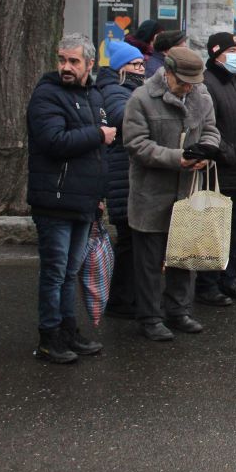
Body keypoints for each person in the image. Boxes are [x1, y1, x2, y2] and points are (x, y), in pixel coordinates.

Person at [123, 47, 219, 341]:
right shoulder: (141, 99)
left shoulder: (201, 96)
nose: (189, 87)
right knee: (149, 263)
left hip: (187, 191)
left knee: (183, 256)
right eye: (183, 82)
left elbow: (212, 131)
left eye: (193, 82)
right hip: (151, 194)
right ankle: (150, 317)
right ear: (167, 73)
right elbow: (136, 144)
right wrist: (178, 158)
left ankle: (179, 311)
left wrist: (206, 154)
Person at [26, 33, 110, 363]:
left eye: (74, 61)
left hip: (83, 200)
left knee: (70, 272)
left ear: (89, 64)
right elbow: (54, 141)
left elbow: (97, 157)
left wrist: (99, 195)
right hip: (54, 199)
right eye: (62, 60)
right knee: (55, 272)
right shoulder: (47, 94)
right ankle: (49, 336)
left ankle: (68, 330)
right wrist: (98, 134)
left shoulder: (94, 95)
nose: (66, 67)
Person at [196, 33, 236, 307]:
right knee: (214, 230)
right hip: (220, 171)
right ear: (216, 52)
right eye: (232, 50)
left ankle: (229, 278)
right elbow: (206, 128)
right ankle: (207, 284)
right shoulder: (207, 84)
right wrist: (229, 153)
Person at [95, 40, 146, 319]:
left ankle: (130, 297)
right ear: (120, 68)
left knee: (133, 242)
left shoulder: (129, 88)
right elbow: (122, 117)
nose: (141, 69)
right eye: (134, 64)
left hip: (126, 175)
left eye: (141, 63)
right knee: (128, 242)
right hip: (122, 176)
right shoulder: (115, 90)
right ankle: (121, 300)